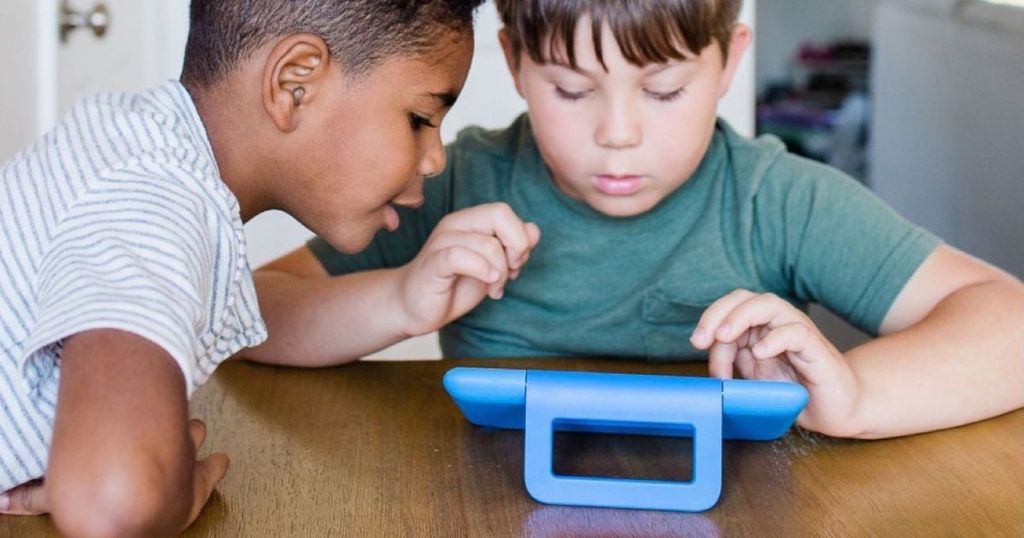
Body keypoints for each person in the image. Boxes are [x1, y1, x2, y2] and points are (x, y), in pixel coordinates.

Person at [245, 0, 1024, 442]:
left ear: (727, 60)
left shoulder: (779, 200)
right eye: (574, 91)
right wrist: (400, 300)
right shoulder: (464, 184)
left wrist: (853, 395)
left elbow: (1009, 326)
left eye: (663, 91)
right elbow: (252, 314)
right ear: (514, 63)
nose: (619, 133)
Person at [0, 0, 493, 534]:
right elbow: (113, 504)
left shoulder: (134, 142)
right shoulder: (153, 200)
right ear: (293, 84)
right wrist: (170, 493)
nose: (435, 158)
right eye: (419, 119)